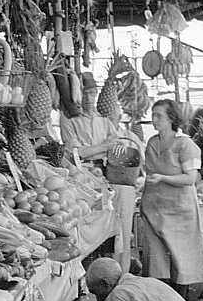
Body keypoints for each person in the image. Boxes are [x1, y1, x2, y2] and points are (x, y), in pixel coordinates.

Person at [60, 72, 142, 273]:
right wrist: (102, 146)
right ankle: (83, 267)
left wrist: (94, 149)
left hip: (105, 176)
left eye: (93, 93)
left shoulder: (105, 122)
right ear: (77, 95)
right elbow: (74, 154)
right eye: (85, 94)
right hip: (80, 177)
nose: (89, 98)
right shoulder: (69, 121)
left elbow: (113, 150)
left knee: (120, 214)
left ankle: (119, 265)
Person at [140, 98, 203, 298]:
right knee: (156, 259)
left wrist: (163, 178)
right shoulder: (152, 143)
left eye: (159, 116)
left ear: (171, 118)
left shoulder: (186, 144)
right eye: (153, 115)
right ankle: (160, 299)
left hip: (179, 210)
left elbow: (191, 178)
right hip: (154, 209)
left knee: (182, 257)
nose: (154, 120)